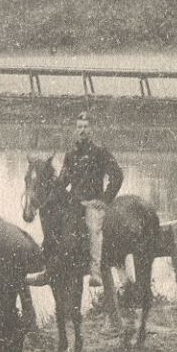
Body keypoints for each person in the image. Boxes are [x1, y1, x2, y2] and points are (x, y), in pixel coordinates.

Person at [54, 112, 123, 283]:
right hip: (75, 204)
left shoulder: (100, 152)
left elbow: (117, 176)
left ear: (91, 130)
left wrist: (104, 200)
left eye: (85, 127)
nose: (82, 130)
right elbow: (64, 181)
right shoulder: (71, 154)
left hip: (93, 203)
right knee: (57, 226)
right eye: (79, 127)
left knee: (94, 230)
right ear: (75, 130)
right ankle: (54, 267)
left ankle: (95, 272)